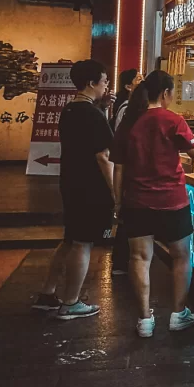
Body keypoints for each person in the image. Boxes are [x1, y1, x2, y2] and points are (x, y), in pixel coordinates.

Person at [111, 70, 194, 338]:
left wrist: (117, 202)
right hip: (172, 201)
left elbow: (118, 168)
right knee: (181, 256)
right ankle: (178, 314)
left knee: (139, 258)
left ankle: (144, 321)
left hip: (137, 201)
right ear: (165, 94)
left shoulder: (129, 123)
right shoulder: (173, 120)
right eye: (172, 94)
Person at [32, 60, 114, 319]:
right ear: (92, 83)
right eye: (104, 81)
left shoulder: (70, 109)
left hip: (70, 182)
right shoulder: (92, 114)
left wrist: (103, 109)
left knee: (69, 240)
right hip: (90, 187)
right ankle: (71, 302)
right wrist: (115, 191)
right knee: (83, 243)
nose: (107, 85)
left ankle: (48, 293)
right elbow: (103, 156)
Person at [110, 68, 142, 276]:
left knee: (131, 219)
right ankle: (121, 261)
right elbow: (123, 142)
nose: (143, 81)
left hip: (129, 170)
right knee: (127, 219)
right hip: (129, 170)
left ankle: (125, 260)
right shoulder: (127, 109)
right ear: (128, 86)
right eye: (138, 79)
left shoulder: (135, 109)